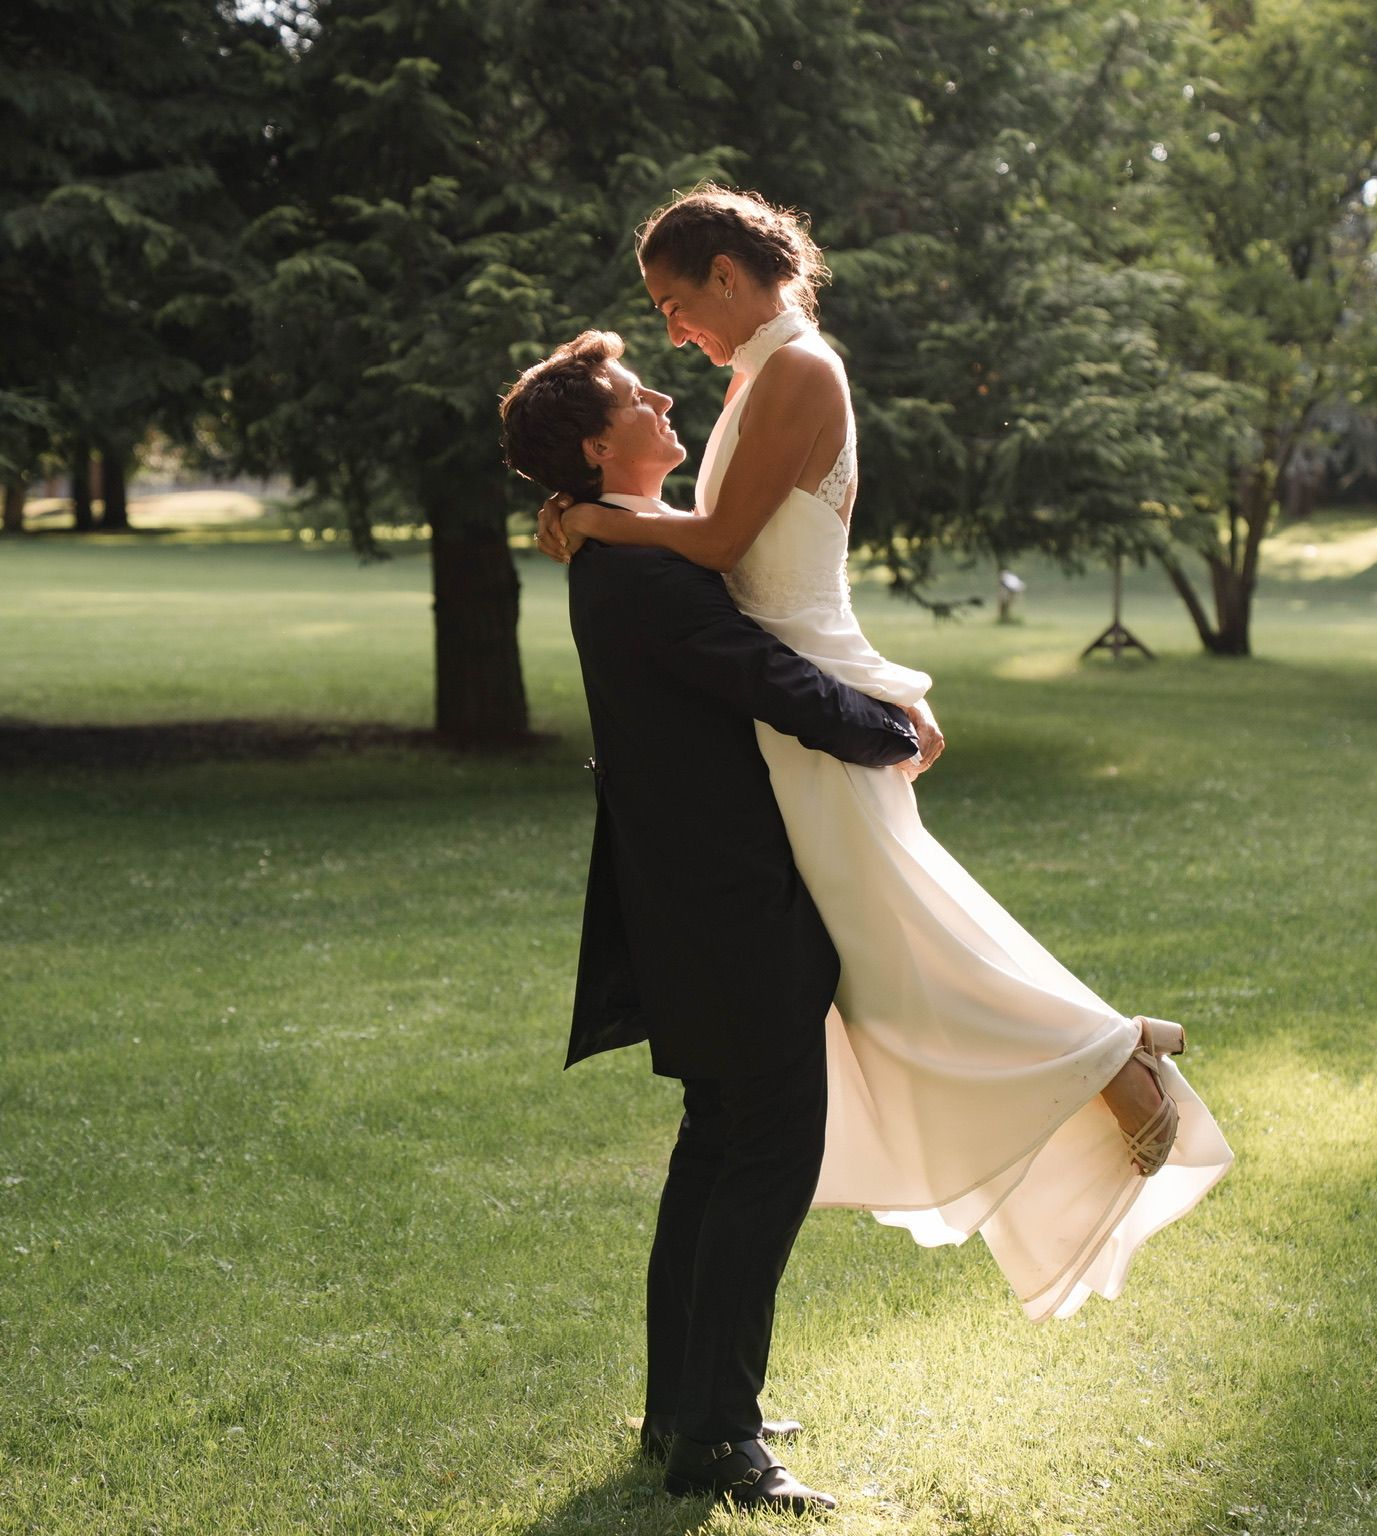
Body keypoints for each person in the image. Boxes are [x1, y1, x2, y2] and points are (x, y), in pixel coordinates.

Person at [535, 185, 1233, 1322]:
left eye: (673, 302)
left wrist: (602, 516)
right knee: (894, 938)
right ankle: (1106, 1047)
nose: (671, 332)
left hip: (803, 699)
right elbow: (747, 565)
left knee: (897, 946)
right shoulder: (763, 375)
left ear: (726, 270)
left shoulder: (798, 368)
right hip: (796, 691)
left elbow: (717, 547)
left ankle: (1111, 1058)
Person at [500, 330, 921, 1514]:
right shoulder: (638, 568)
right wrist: (891, 727)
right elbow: (758, 673)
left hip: (699, 897)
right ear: (600, 444)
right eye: (641, 395)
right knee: (766, 1153)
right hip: (726, 902)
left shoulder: (623, 550)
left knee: (717, 1149)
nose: (665, 395)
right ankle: (717, 1440)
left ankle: (688, 1410)